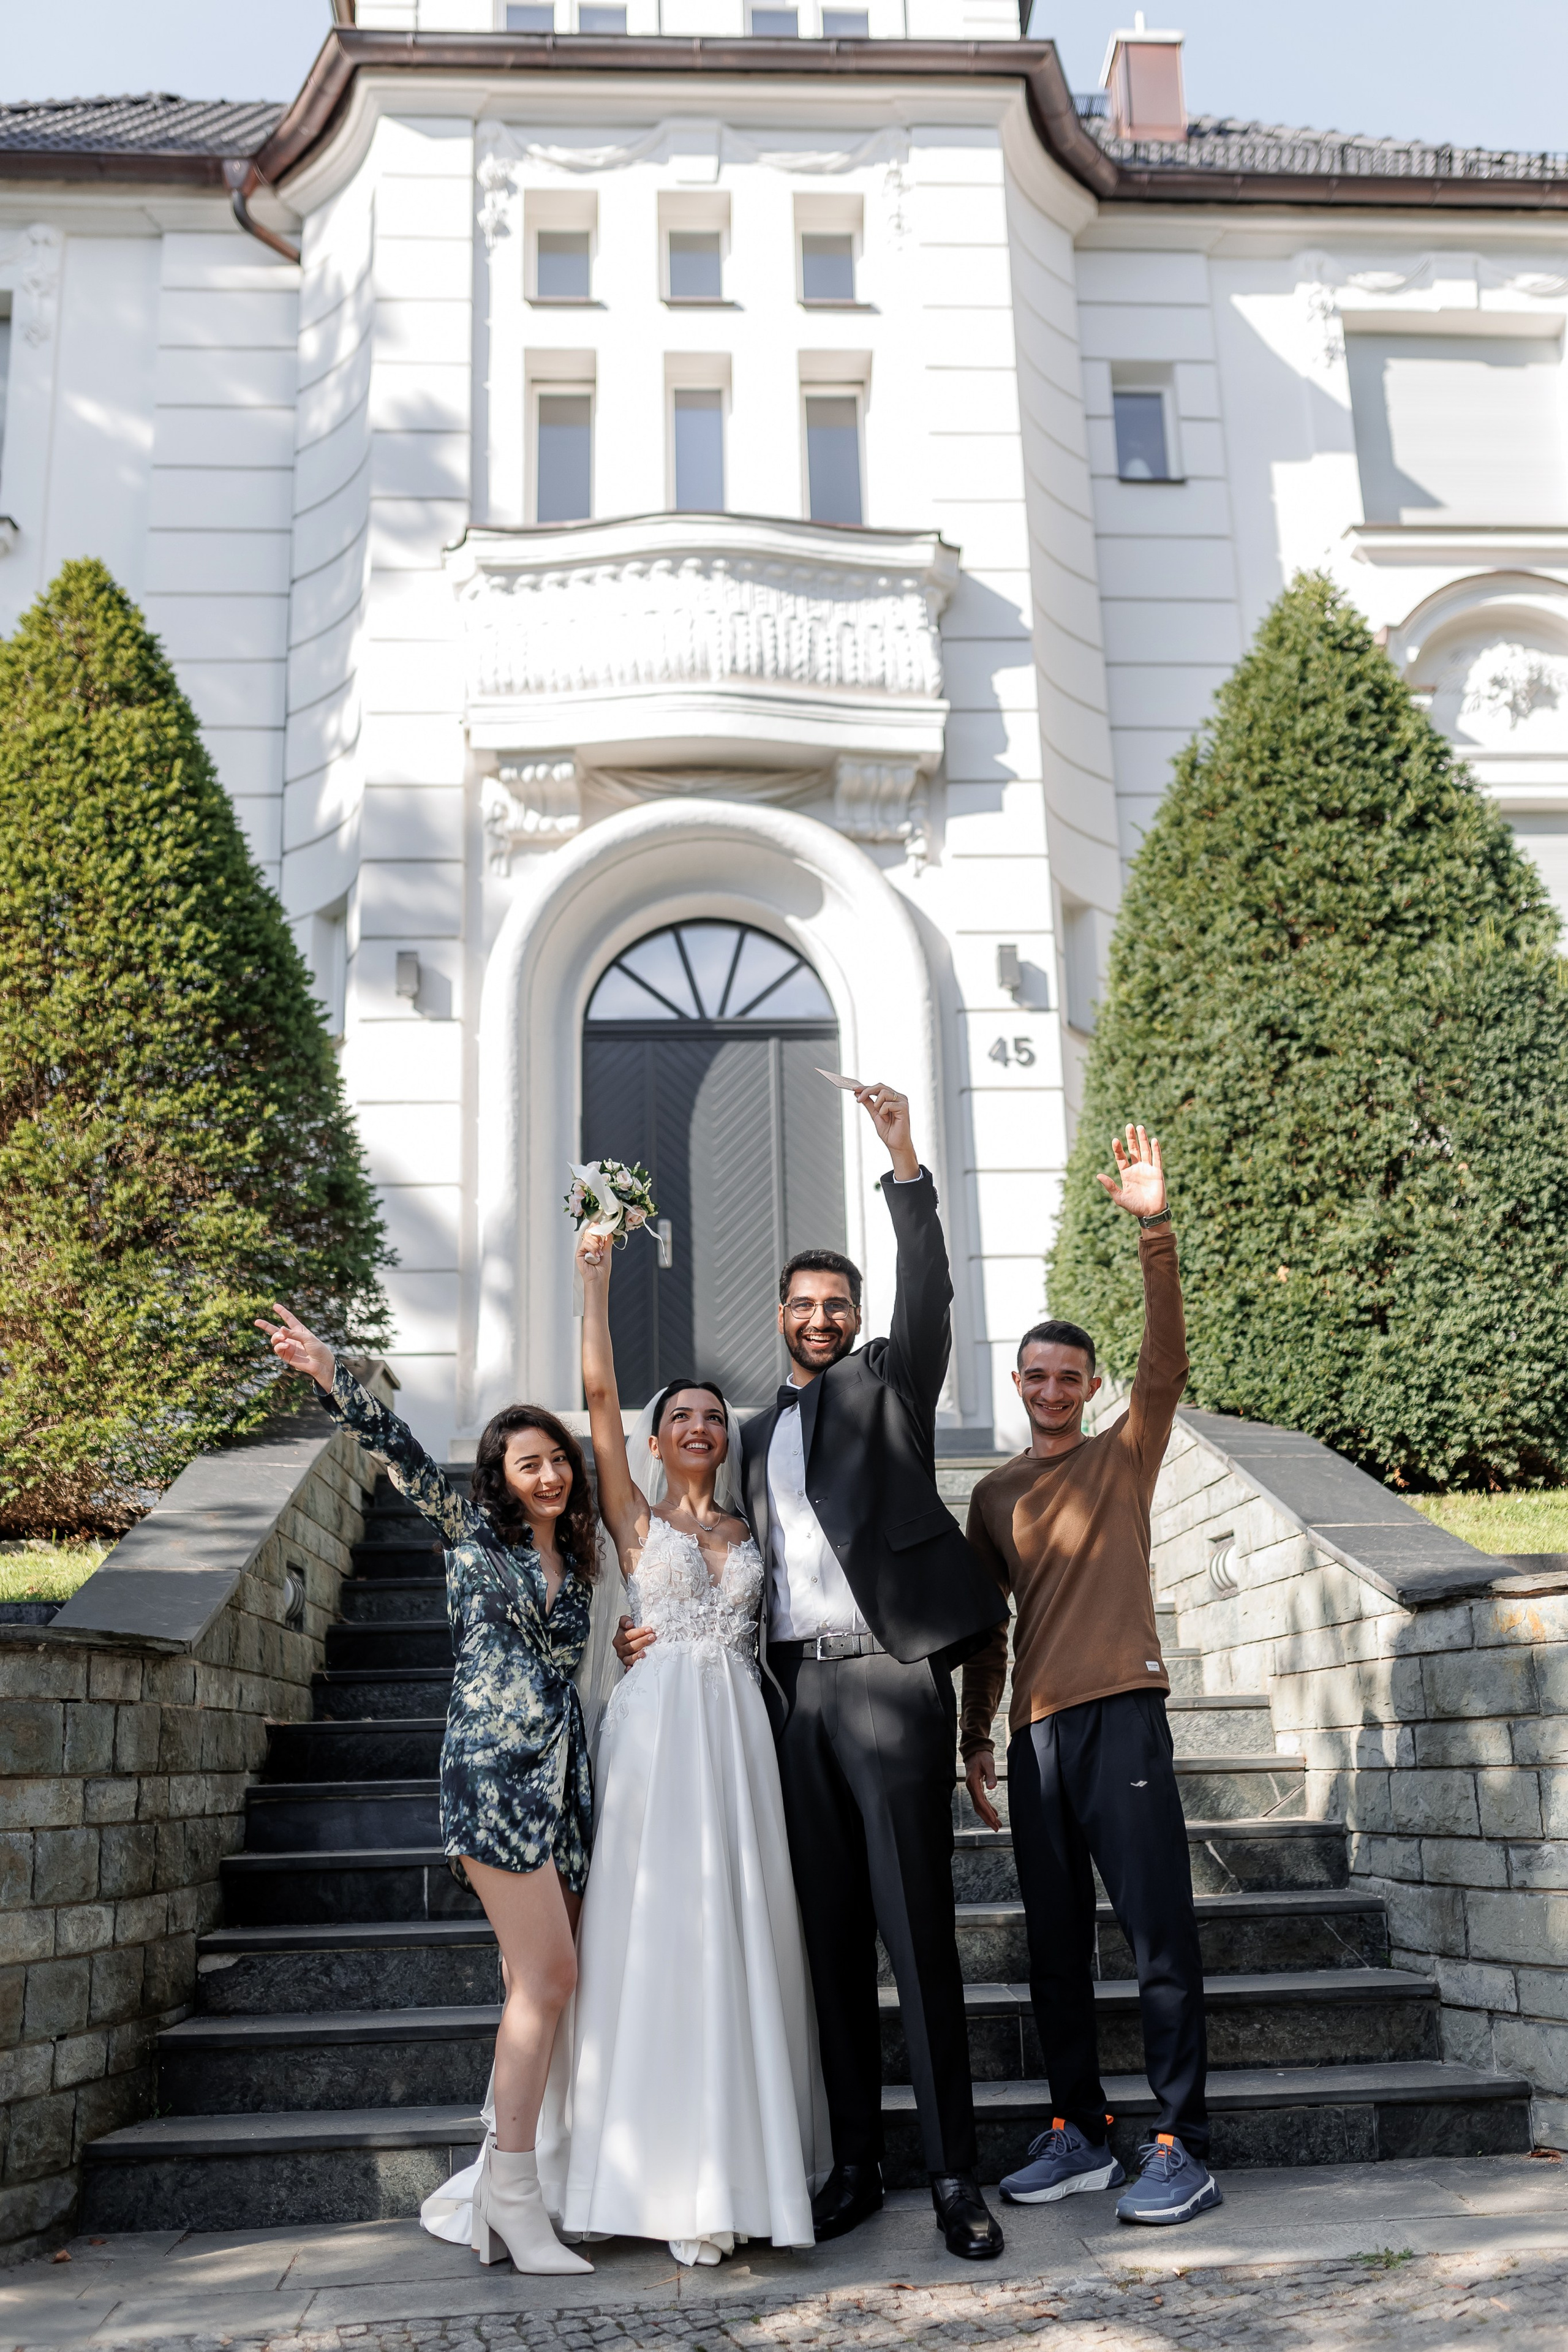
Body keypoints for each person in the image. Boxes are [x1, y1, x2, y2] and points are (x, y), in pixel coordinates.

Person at [620, 1084, 1009, 2260]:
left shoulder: (889, 1383)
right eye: (807, 1305)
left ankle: (953, 2178)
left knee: (919, 1933)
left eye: (839, 1305)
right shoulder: (748, 1434)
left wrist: (904, 1170)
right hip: (788, 1699)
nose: (826, 1319)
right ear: (780, 1316)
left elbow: (930, 1296)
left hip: (889, 1682)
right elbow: (715, 1558)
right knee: (829, 1939)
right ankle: (852, 2166)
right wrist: (655, 1631)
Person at [255, 1306, 598, 2277]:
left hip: (566, 1779)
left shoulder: (575, 1561)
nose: (549, 1473)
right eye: (528, 1462)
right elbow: (400, 1452)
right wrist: (332, 1377)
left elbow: (577, 1655)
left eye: (557, 1459)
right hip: (491, 1775)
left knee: (534, 1987)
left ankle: (505, 2181)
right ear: (499, 1477)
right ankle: (519, 2201)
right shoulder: (465, 1538)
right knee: (549, 1979)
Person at [959, 1123, 1219, 2228]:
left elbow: (1169, 1359)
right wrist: (978, 1738)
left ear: (1092, 1384)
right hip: (1037, 1737)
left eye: (1073, 1375)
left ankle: (1181, 2143)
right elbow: (984, 1634)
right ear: (1017, 1382)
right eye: (1038, 1374)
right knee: (1054, 1947)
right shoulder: (991, 1493)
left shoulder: (1125, 1451)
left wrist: (1155, 1227)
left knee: (1158, 1934)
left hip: (1124, 1717)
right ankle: (1080, 2131)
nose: (1054, 1387)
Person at [556, 1227, 827, 2266]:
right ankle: (650, 2173)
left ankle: (742, 2165)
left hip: (740, 1734)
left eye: (715, 1416)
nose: (701, 1426)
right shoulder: (632, 1521)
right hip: (659, 1733)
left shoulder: (755, 1528)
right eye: (682, 1417)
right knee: (654, 1935)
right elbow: (593, 1398)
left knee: (741, 1931)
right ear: (658, 1440)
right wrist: (596, 1280)